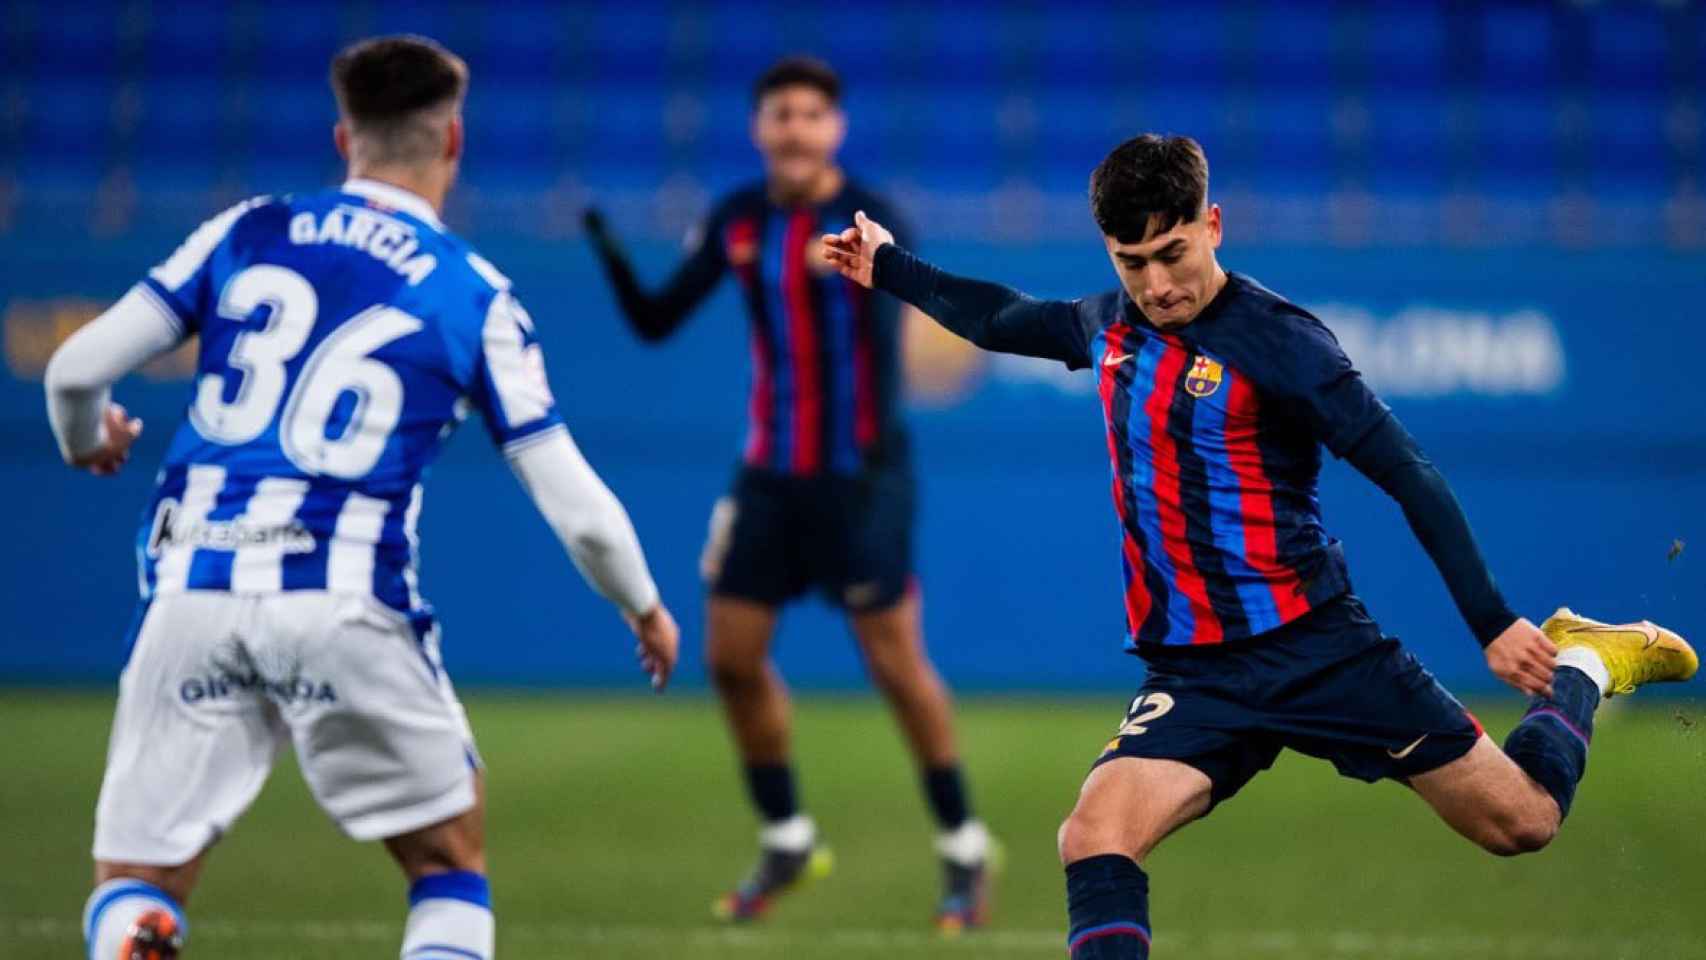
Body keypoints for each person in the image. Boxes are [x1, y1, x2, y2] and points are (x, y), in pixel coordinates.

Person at [821, 133, 1697, 959]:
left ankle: (1584, 664)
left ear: (1213, 225)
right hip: (1196, 673)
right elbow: (1002, 315)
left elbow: (1408, 472)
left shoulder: (1284, 342)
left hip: (1319, 647)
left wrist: (1491, 621)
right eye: (1133, 263)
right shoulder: (1110, 324)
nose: (1157, 284)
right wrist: (887, 265)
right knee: (1094, 832)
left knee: (1524, 823)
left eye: (1173, 254)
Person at [48, 35, 679, 960]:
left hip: (193, 586)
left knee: (138, 885)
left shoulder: (246, 231)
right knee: (446, 865)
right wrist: (645, 606)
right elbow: (576, 506)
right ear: (454, 141)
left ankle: (137, 938)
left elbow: (73, 370)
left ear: (344, 137)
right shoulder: (472, 294)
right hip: (340, 598)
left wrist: (87, 441)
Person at [582, 56, 994, 930]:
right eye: (782, 114)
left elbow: (906, 321)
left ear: (835, 129)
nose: (797, 128)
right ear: (760, 128)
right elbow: (657, 322)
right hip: (768, 474)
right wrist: (610, 251)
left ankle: (963, 846)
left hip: (863, 477)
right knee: (728, 658)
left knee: (894, 663)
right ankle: (788, 836)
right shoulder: (737, 220)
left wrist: (851, 267)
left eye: (812, 114)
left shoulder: (875, 220)